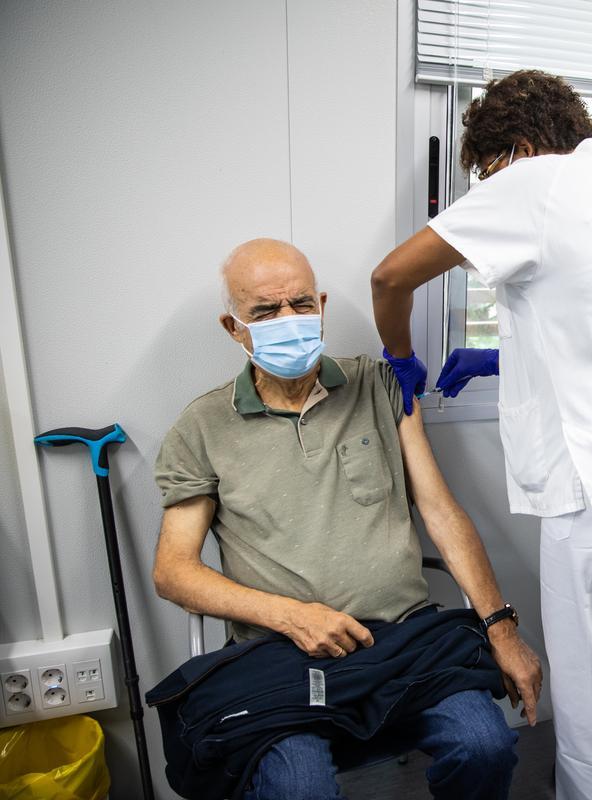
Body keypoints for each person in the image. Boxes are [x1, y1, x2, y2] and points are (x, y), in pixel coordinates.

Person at [369, 70, 592, 799]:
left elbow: (389, 279)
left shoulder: (533, 182)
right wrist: (502, 357)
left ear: (522, 147)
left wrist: (401, 356)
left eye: (489, 171)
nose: (488, 189)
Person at [151, 238, 542, 800]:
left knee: (486, 746)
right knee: (298, 788)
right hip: (284, 653)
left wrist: (500, 627)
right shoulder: (202, 427)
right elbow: (174, 572)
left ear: (322, 305)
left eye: (301, 304)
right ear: (233, 327)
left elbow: (440, 511)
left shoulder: (381, 385)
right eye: (265, 311)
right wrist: (292, 617)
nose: (288, 320)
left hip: (406, 638)